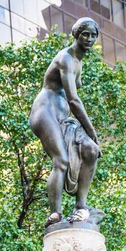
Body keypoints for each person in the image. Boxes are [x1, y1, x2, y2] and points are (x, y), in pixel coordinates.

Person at [29, 17, 102, 227]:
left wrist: (91, 139)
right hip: (45, 112)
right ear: (76, 35)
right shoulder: (66, 59)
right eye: (85, 34)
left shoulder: (79, 61)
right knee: (60, 160)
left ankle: (81, 207)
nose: (89, 39)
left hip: (62, 118)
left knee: (91, 150)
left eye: (93, 35)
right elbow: (73, 100)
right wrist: (91, 130)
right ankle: (55, 214)